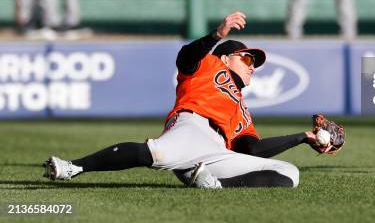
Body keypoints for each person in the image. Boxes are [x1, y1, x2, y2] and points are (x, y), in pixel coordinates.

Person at [43, 12, 330, 188]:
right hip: (192, 128)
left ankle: (214, 185)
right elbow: (185, 57)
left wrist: (303, 137)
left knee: (289, 173)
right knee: (154, 153)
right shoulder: (209, 64)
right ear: (226, 57)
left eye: (254, 62)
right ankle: (73, 167)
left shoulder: (242, 110)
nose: (252, 65)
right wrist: (216, 36)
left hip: (215, 155)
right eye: (246, 58)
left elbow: (252, 151)